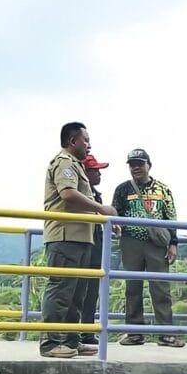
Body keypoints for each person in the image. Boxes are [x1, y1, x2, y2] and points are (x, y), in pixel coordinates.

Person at [39, 122, 117, 358]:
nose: (89, 144)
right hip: (65, 236)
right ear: (72, 141)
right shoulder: (64, 163)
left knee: (77, 293)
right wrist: (101, 209)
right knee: (61, 289)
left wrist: (101, 219)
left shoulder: (76, 166)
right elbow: (68, 194)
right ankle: (50, 343)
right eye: (85, 139)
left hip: (81, 237)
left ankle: (72, 340)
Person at [113, 148, 183, 348]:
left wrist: (174, 243)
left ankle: (166, 334)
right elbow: (115, 213)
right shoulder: (122, 189)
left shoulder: (162, 189)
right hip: (131, 242)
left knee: (161, 288)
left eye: (139, 163)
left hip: (157, 244)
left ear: (148, 165)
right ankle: (134, 333)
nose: (135, 167)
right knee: (132, 288)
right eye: (132, 164)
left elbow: (171, 217)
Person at [79, 154, 109, 346]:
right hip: (83, 242)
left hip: (96, 241)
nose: (99, 174)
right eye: (95, 170)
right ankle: (73, 331)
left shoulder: (95, 195)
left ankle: (87, 331)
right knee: (79, 289)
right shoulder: (80, 195)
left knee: (92, 290)